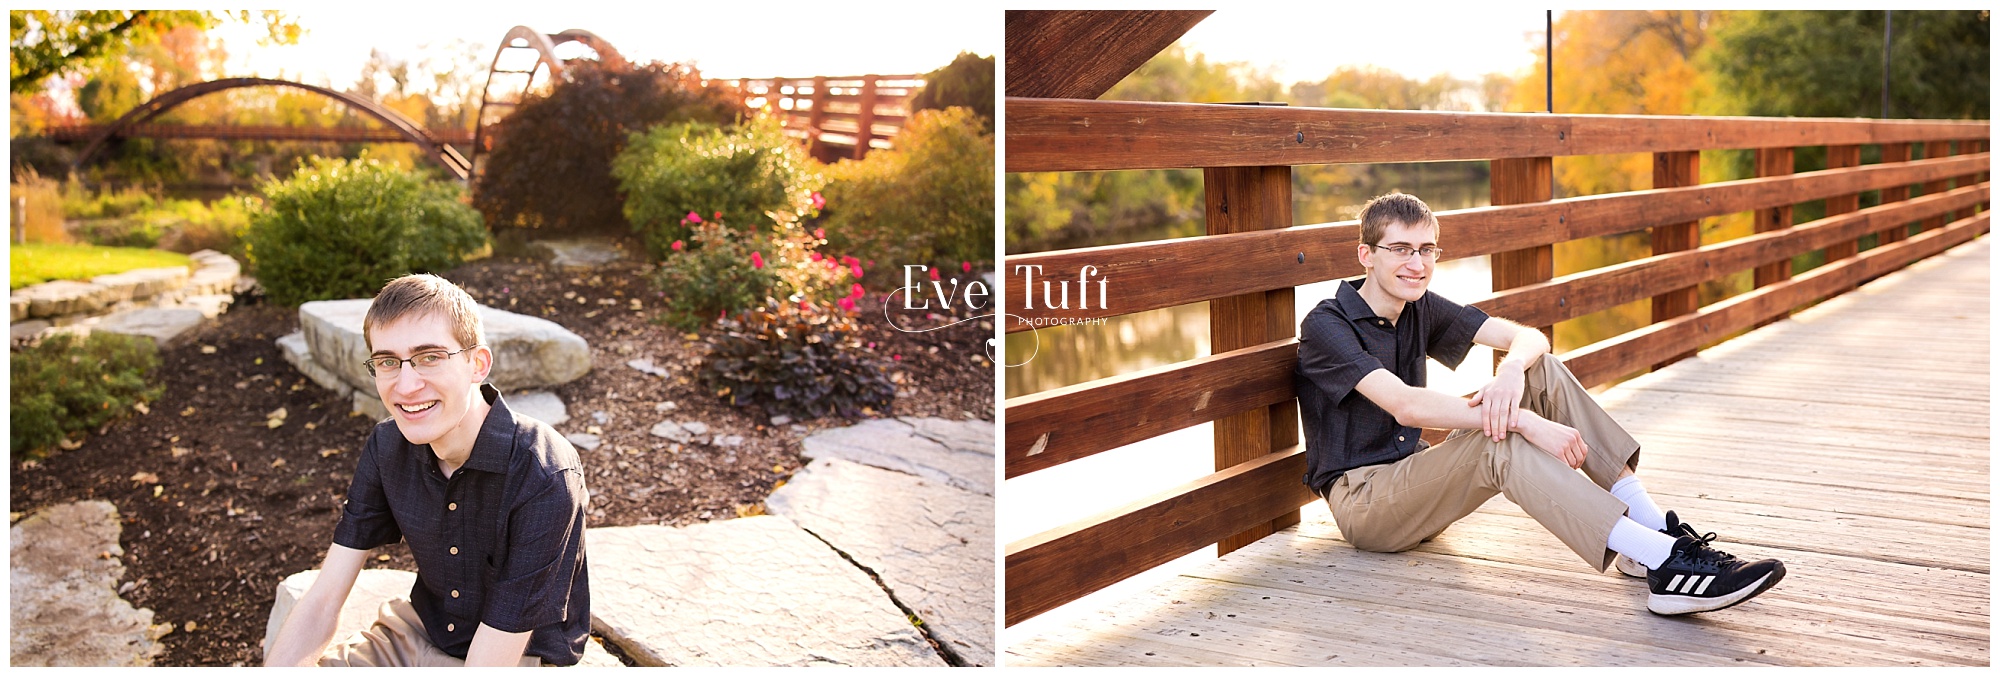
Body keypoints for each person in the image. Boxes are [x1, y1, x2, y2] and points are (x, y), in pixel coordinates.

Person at [1294, 192, 1785, 616]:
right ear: (1366, 254)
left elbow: (1530, 338)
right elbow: (1406, 407)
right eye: (1399, 249)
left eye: (1426, 250)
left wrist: (1509, 370)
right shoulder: (1327, 325)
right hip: (1366, 505)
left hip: (1416, 481)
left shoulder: (1419, 304)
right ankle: (1664, 561)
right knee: (1498, 444)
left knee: (1537, 370)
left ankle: (1653, 530)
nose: (1416, 264)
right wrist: (1525, 421)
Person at [266, 274, 591, 666]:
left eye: (430, 357)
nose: (405, 386)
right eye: (388, 361)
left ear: (477, 364)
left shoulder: (544, 473)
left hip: (518, 655)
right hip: (418, 631)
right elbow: (323, 599)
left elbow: (493, 660)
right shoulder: (387, 445)